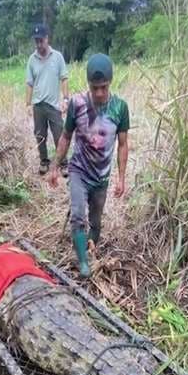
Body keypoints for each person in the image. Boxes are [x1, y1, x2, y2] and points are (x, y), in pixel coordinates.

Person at [48, 53, 129, 278]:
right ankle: (83, 263)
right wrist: (54, 165)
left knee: (95, 222)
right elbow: (65, 136)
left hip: (101, 177)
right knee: (77, 215)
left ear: (110, 83)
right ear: (88, 85)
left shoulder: (120, 108)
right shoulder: (77, 104)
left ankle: (91, 249)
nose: (99, 93)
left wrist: (121, 178)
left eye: (103, 87)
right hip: (79, 170)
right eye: (95, 88)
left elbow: (123, 145)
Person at [25, 23, 70, 175]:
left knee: (59, 134)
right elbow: (29, 84)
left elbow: (64, 78)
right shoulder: (32, 59)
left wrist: (65, 99)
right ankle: (44, 161)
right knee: (40, 135)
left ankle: (63, 163)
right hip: (38, 105)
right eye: (36, 41)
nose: (38, 44)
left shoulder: (57, 57)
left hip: (54, 105)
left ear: (47, 38)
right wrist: (27, 104)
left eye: (41, 40)